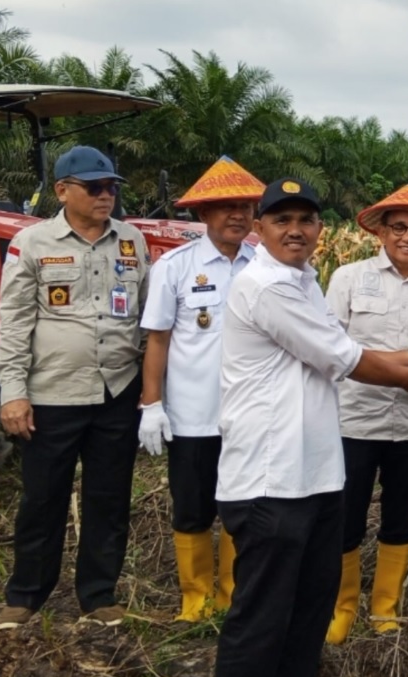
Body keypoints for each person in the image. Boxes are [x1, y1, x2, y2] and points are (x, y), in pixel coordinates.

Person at [211, 178, 408, 677]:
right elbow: (344, 358)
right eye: (282, 220)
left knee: (308, 611)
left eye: (306, 220)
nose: (295, 230)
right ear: (259, 228)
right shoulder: (267, 287)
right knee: (262, 618)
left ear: (321, 227)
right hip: (271, 479)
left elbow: (340, 345)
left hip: (316, 476)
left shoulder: (306, 282)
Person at [0, 146, 149, 630]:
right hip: (53, 394)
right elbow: (14, 322)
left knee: (109, 498)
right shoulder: (32, 243)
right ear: (62, 190)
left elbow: (147, 318)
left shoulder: (132, 241)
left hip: (117, 391)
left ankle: (98, 596)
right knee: (42, 500)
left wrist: (151, 389)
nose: (106, 195)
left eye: (111, 187)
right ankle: (25, 597)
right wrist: (13, 391)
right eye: (94, 187)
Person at [322, 184, 408, 644]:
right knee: (346, 517)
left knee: (401, 518)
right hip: (353, 420)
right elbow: (331, 351)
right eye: (399, 227)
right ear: (380, 231)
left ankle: (385, 607)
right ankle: (342, 607)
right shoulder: (348, 279)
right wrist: (405, 367)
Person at [137, 156, 262, 622]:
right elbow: (158, 339)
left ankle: (232, 595)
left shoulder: (264, 265)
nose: (237, 215)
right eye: (226, 206)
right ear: (204, 213)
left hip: (249, 413)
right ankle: (196, 598)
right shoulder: (176, 266)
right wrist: (152, 404)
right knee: (191, 508)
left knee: (240, 507)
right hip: (192, 413)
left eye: (245, 206)